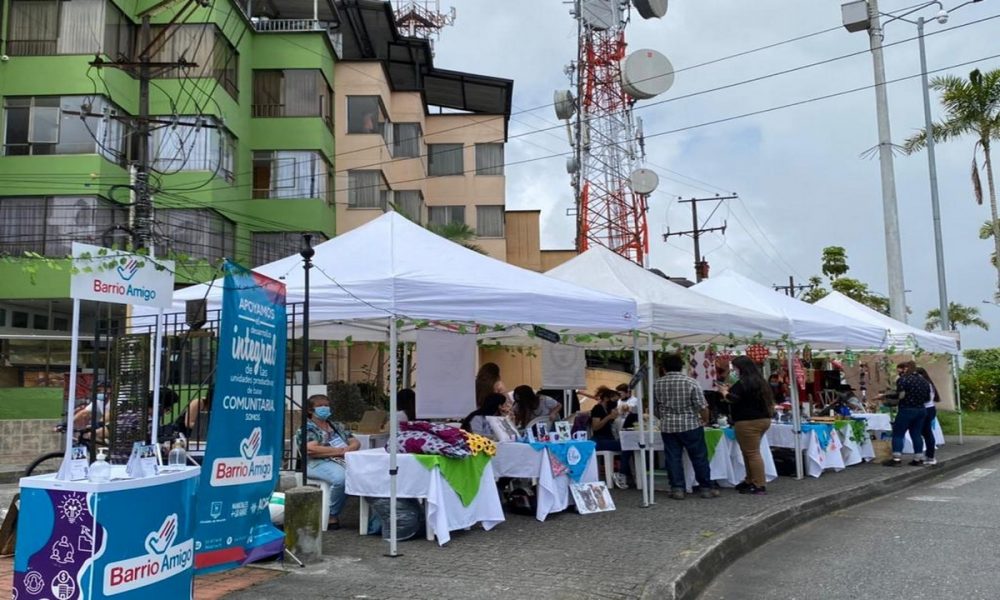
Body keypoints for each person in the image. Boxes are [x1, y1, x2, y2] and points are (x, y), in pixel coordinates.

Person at [653, 353, 718, 500]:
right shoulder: (691, 382)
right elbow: (702, 406)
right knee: (699, 457)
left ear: (664, 368)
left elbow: (655, 408)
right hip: (691, 424)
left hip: (668, 426)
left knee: (673, 458)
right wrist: (705, 420)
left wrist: (664, 417)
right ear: (682, 366)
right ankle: (706, 488)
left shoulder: (657, 384)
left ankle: (677, 489)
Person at [294, 394, 360, 530]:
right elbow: (311, 449)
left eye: (326, 405)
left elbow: (355, 441)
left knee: (361, 474)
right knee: (341, 478)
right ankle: (331, 514)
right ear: (310, 410)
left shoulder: (336, 426)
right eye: (319, 406)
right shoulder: (308, 428)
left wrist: (347, 448)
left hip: (340, 461)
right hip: (316, 463)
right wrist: (340, 451)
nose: (324, 408)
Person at [719, 356, 774, 495]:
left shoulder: (742, 383)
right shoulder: (760, 381)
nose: (735, 371)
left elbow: (733, 399)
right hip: (763, 419)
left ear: (741, 368)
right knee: (749, 451)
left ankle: (759, 484)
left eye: (736, 368)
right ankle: (750, 480)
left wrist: (725, 392)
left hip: (747, 421)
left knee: (752, 452)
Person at [882, 361, 930, 467]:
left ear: (906, 368)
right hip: (921, 410)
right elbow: (927, 399)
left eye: (901, 369)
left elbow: (901, 395)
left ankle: (896, 459)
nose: (899, 371)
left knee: (898, 434)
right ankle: (918, 458)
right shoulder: (924, 381)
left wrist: (886, 396)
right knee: (916, 434)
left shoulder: (903, 380)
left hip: (907, 409)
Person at [590, 387, 631, 489]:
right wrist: (608, 417)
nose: (616, 402)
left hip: (608, 439)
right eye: (614, 400)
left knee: (629, 444)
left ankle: (624, 473)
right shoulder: (597, 408)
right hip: (599, 440)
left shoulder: (608, 409)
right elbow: (595, 426)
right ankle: (621, 473)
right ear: (606, 398)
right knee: (627, 445)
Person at [915, 367, 940, 466]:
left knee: (927, 432)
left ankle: (930, 456)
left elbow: (927, 399)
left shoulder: (926, 384)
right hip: (928, 408)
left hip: (927, 409)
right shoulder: (928, 383)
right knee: (925, 432)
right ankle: (928, 455)